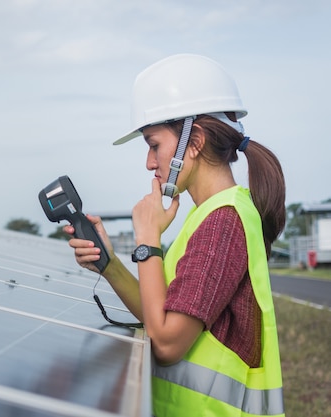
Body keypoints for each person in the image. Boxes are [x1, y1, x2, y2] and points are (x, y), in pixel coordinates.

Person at [65, 54, 285, 416]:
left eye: (154, 145)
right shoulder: (209, 215)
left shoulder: (223, 223)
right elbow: (161, 317)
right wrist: (110, 265)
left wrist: (148, 239)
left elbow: (167, 344)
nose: (150, 163)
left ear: (193, 142)